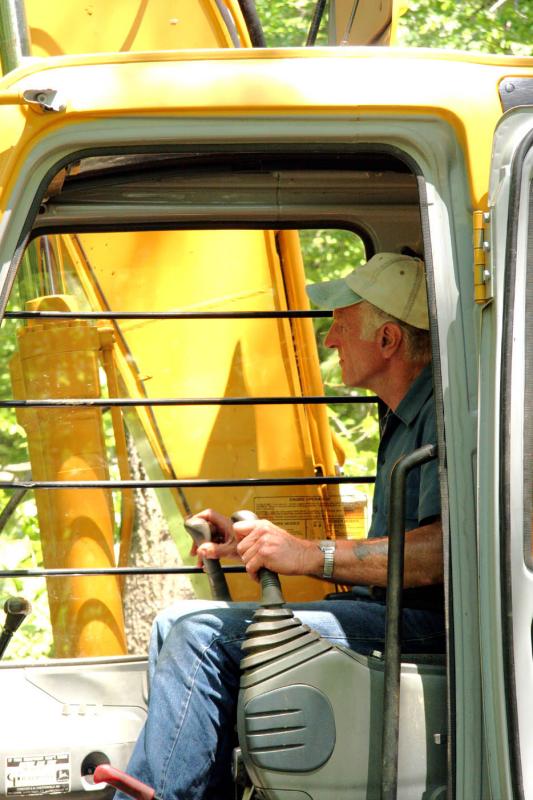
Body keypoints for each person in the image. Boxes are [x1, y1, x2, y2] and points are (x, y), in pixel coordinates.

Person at [118, 252, 444, 800]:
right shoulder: (397, 418)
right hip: (383, 610)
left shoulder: (441, 412)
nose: (331, 338)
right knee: (172, 624)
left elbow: (441, 554)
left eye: (342, 322)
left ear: (387, 340)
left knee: (201, 637)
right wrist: (260, 544)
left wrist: (311, 554)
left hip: (428, 626)